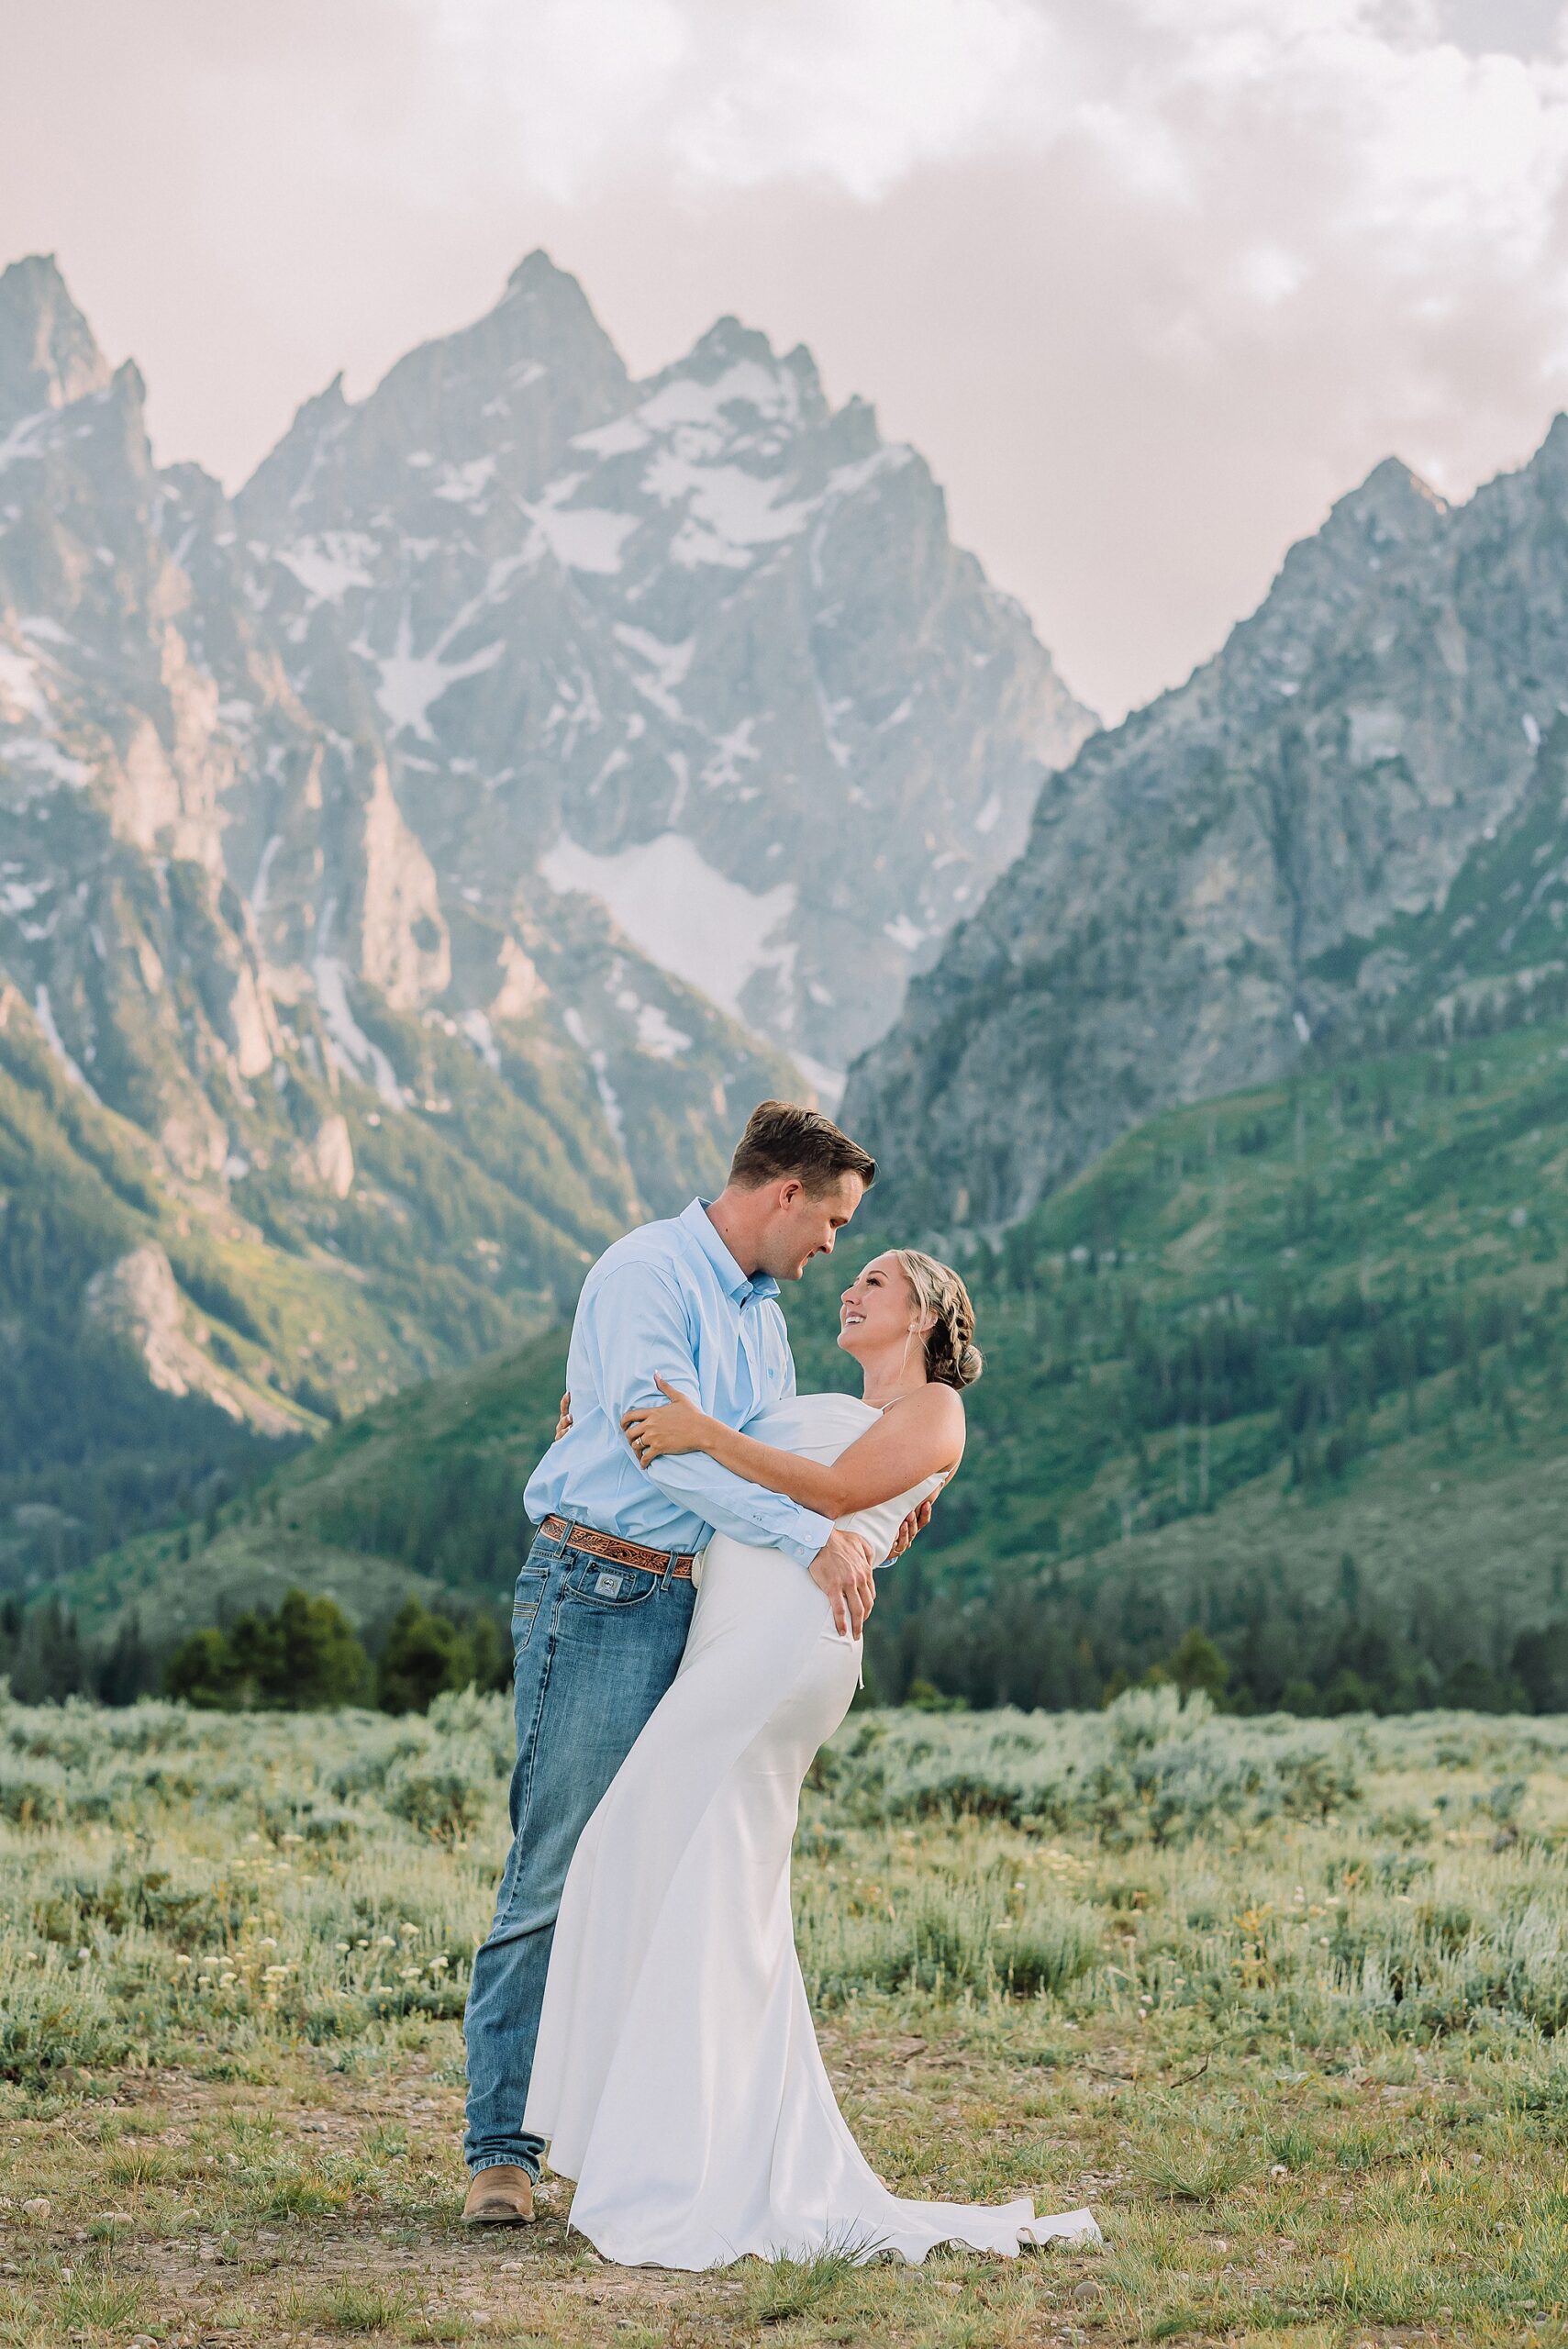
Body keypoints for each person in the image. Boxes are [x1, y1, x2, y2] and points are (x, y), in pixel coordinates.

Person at [521, 1246, 1100, 2266]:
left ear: (923, 1313)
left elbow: (830, 1493)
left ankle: (671, 2158)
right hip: (731, 1635)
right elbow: (717, 1485)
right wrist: (607, 1443)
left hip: (788, 1646)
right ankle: (686, 2142)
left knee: (643, 1848)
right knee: (691, 1879)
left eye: (872, 1279)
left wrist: (701, 1433)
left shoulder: (932, 1411)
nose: (849, 1286)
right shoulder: (824, 1397)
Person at [462, 1099, 932, 2220]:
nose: (832, 1248)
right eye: (830, 1221)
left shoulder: (761, 1324)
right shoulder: (647, 1272)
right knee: (556, 1865)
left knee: (658, 1861)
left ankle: (617, 2128)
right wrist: (807, 1536)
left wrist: (864, 1515)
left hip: (696, 1606)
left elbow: (762, 1462)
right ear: (784, 1195)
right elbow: (656, 1450)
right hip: (601, 1585)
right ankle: (501, 2151)